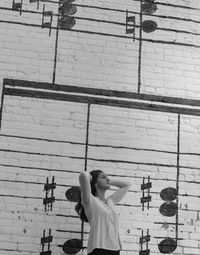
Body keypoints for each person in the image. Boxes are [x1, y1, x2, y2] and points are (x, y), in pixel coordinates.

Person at [76, 170, 131, 255]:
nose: (107, 179)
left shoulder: (110, 201)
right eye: (103, 177)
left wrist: (108, 181)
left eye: (107, 177)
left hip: (115, 249)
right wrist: (91, 178)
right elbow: (83, 175)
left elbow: (126, 185)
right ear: (95, 183)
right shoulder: (90, 201)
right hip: (99, 249)